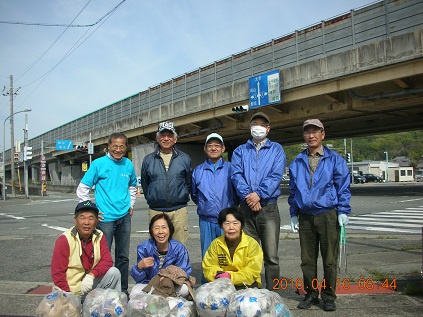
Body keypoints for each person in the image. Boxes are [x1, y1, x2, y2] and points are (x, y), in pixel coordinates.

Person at [288, 119, 351, 312]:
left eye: (315, 131)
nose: (311, 135)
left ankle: (329, 296)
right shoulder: (297, 161)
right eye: (307, 132)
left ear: (323, 134)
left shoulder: (334, 159)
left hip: (328, 214)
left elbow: (343, 187)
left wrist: (343, 210)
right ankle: (311, 293)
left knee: (329, 259)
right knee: (307, 260)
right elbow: (293, 190)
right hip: (306, 215)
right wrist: (293, 213)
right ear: (304, 136)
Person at [76, 132, 138, 296]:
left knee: (123, 257)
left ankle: (122, 291)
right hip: (105, 220)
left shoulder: (128, 164)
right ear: (108, 146)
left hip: (124, 217)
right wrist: (93, 210)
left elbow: (132, 186)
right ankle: (102, 292)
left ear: (126, 147)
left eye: (121, 146)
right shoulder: (98, 164)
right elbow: (82, 189)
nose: (118, 149)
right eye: (115, 146)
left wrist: (131, 204)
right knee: (102, 258)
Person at [231, 112, 286, 291]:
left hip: (268, 208)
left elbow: (276, 175)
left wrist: (259, 194)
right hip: (246, 208)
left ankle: (273, 293)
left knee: (271, 256)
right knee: (248, 254)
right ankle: (250, 292)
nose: (258, 127)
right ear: (250, 126)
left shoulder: (276, 149)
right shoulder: (240, 151)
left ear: (268, 129)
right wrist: (250, 196)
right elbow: (236, 175)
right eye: (255, 123)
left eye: (263, 124)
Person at [51, 201, 121, 298]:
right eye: (82, 218)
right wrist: (68, 297)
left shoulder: (99, 235)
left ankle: (111, 306)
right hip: (71, 291)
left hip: (89, 284)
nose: (86, 222)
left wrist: (91, 275)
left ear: (96, 221)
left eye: (91, 218)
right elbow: (58, 273)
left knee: (114, 272)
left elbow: (107, 261)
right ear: (75, 220)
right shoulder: (64, 240)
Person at [141, 121, 192, 245]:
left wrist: (182, 195)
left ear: (175, 139)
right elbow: (145, 183)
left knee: (180, 246)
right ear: (157, 138)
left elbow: (188, 183)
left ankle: (179, 265)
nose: (166, 138)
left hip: (179, 209)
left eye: (169, 135)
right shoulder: (148, 160)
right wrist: (152, 198)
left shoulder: (185, 159)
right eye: (162, 135)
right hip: (156, 209)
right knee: (158, 246)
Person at [191, 133, 238, 260]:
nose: (213, 148)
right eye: (210, 146)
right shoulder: (198, 170)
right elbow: (194, 194)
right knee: (208, 255)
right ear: (205, 149)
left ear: (223, 149)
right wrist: (205, 206)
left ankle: (228, 280)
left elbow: (237, 192)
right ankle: (208, 280)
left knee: (228, 255)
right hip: (206, 220)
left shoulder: (231, 168)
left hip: (227, 221)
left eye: (217, 145)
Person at [130, 213, 193, 298]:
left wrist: (169, 278)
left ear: (170, 230)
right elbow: (139, 279)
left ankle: (158, 298)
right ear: (151, 231)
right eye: (156, 228)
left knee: (184, 289)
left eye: (164, 227)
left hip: (172, 285)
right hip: (151, 284)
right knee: (135, 291)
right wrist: (139, 267)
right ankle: (160, 298)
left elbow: (185, 272)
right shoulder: (144, 248)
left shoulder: (179, 248)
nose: (160, 232)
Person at [202, 207, 263, 290]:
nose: (231, 227)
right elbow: (209, 267)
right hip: (222, 284)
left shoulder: (252, 244)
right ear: (221, 226)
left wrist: (231, 277)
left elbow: (252, 271)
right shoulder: (215, 244)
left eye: (235, 223)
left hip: (246, 284)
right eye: (227, 223)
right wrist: (219, 276)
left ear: (241, 225)